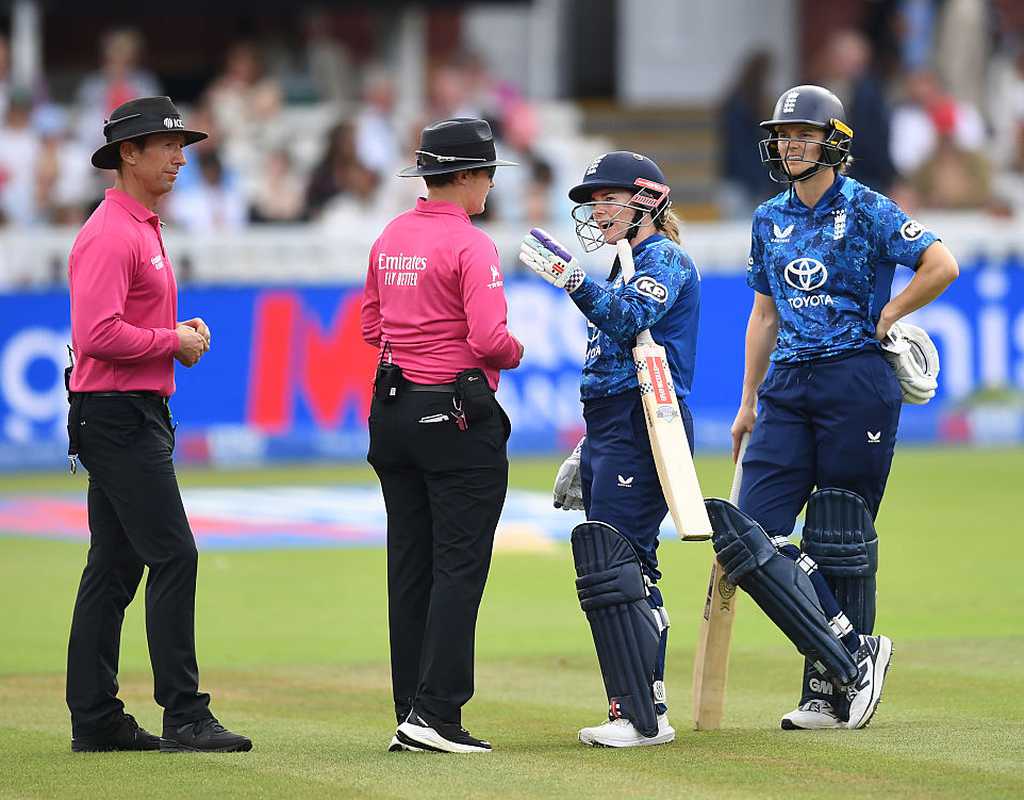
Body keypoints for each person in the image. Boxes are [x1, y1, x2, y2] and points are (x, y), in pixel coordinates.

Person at [726, 84, 958, 731]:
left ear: (833, 142)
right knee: (750, 533)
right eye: (783, 136)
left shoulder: (866, 207)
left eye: (803, 134)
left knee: (839, 535)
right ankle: (856, 652)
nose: (790, 145)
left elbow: (941, 264)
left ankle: (826, 692)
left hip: (856, 379)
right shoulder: (767, 218)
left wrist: (891, 313)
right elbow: (764, 316)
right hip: (786, 386)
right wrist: (747, 402)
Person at [65, 96, 251, 753]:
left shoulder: (137, 226)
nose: (179, 158)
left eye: (182, 146)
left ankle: (95, 718)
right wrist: (172, 341)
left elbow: (118, 325)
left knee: (114, 568)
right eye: (166, 146)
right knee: (173, 555)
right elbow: (97, 333)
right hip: (118, 414)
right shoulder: (113, 232)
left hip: (125, 411)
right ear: (129, 154)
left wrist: (171, 332)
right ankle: (186, 714)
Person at [518, 151, 700, 747]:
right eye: (592, 201)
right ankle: (636, 703)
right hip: (610, 424)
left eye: (608, 198)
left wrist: (573, 280)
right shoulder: (625, 264)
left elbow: (629, 319)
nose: (597, 211)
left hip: (644, 419)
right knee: (615, 565)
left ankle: (643, 714)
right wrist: (589, 445)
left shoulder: (663, 258)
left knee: (622, 563)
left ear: (646, 200)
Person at [360, 117, 523, 754]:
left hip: (392, 410)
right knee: (459, 564)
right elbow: (489, 339)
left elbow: (371, 327)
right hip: (455, 414)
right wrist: (514, 351)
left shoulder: (391, 235)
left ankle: (411, 707)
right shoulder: (471, 245)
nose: (490, 185)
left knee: (410, 564)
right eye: (486, 173)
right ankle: (436, 715)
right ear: (464, 175)